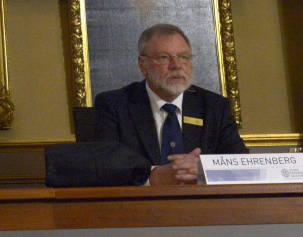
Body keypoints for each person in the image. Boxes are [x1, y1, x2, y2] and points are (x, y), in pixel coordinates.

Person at [93, 23, 247, 186]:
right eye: (164, 57)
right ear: (142, 65)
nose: (176, 65)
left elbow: (239, 164)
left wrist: (205, 169)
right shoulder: (114, 105)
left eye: (183, 57)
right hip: (138, 206)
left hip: (203, 206)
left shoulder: (214, 106)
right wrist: (154, 177)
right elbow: (105, 167)